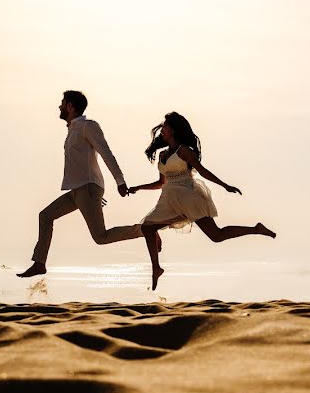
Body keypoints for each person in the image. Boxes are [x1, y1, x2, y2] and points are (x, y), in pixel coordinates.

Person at [129, 112, 276, 290]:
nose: (162, 128)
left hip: (187, 196)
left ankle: (256, 229)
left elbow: (203, 171)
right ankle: (156, 268)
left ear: (174, 130)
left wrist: (225, 185)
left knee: (216, 235)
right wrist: (138, 187)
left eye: (166, 126)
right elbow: (161, 183)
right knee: (147, 227)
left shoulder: (184, 151)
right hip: (168, 199)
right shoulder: (162, 155)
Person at [17, 90, 156, 278]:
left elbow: (106, 153)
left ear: (70, 106)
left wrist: (119, 181)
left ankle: (144, 230)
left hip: (88, 188)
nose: (59, 106)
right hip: (78, 191)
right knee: (45, 216)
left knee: (101, 237)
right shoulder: (72, 129)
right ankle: (39, 263)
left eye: (62, 102)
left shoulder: (87, 126)